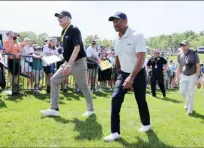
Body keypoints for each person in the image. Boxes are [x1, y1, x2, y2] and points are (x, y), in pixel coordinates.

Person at [104, 12, 151, 142]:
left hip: (139, 74)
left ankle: (146, 125)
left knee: (140, 100)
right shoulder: (115, 40)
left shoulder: (137, 35)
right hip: (123, 74)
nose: (115, 24)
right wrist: (120, 75)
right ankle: (115, 132)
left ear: (126, 21)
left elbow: (141, 59)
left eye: (118, 21)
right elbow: (117, 58)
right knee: (115, 99)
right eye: (113, 21)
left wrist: (131, 78)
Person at [40, 10, 95, 117]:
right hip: (67, 62)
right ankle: (54, 109)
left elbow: (77, 47)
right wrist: (60, 57)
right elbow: (67, 50)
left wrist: (69, 65)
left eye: (61, 17)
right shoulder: (63, 32)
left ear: (68, 18)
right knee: (54, 80)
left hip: (78, 62)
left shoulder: (74, 29)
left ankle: (91, 110)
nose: (58, 19)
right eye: (58, 17)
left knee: (83, 85)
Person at [176, 40, 200, 115]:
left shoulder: (194, 53)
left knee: (190, 93)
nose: (183, 46)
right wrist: (177, 77)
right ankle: (187, 101)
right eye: (182, 45)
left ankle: (190, 110)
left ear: (188, 45)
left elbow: (198, 66)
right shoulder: (179, 54)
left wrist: (197, 77)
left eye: (185, 45)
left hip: (192, 75)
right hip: (183, 75)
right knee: (181, 92)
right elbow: (179, 66)